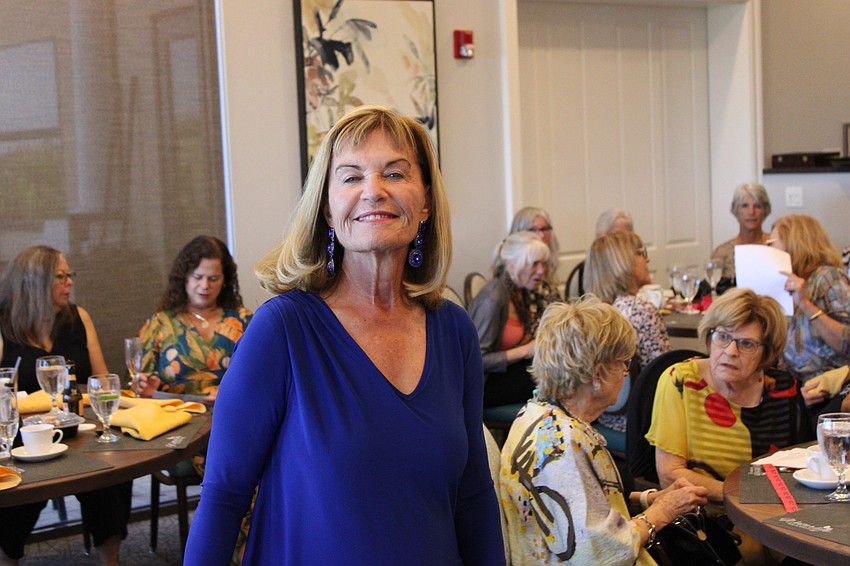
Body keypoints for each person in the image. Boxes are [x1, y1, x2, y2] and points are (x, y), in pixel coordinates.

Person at [184, 105, 504, 565]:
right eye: (351, 177)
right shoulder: (282, 331)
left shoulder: (454, 332)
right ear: (328, 210)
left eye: (395, 173)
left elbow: (472, 495)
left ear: (426, 202)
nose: (373, 191)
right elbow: (224, 496)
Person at [500, 298, 708, 565]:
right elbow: (599, 555)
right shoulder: (559, 446)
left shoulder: (540, 413)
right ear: (597, 375)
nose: (625, 373)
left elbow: (584, 503)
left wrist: (651, 498)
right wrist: (662, 512)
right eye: (624, 363)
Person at [647, 288, 803, 562]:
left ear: (766, 352)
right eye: (723, 337)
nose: (730, 352)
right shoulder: (680, 381)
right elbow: (670, 474)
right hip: (707, 519)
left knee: (806, 550)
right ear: (709, 337)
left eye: (746, 344)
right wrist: (741, 498)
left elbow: (797, 464)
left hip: (775, 511)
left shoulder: (782, 389)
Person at [0, 246, 130, 566]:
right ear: (34, 283)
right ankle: (7, 556)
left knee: (112, 472)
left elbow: (101, 384)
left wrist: (141, 403)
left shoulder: (78, 318)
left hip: (81, 433)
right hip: (23, 440)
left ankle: (109, 558)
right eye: (60, 277)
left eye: (69, 275)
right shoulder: (3, 327)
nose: (69, 283)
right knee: (22, 487)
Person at [136, 235, 252, 399]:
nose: (205, 286)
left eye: (213, 278)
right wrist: (146, 388)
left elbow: (265, 375)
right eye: (198, 277)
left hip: (230, 417)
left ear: (225, 280)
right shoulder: (160, 323)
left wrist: (231, 392)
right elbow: (137, 387)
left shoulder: (245, 321)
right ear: (185, 278)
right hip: (175, 419)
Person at [585, 231, 671, 433]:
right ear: (622, 263)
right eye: (641, 253)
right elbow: (668, 373)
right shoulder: (638, 309)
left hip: (607, 416)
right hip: (644, 421)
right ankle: (752, 464)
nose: (647, 258)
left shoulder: (598, 311)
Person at [768, 214, 850, 418]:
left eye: (772, 242)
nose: (767, 248)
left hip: (833, 390)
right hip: (798, 391)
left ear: (794, 242)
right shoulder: (781, 284)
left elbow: (847, 343)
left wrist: (805, 304)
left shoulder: (826, 277)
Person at [468, 231, 553, 407]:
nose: (541, 271)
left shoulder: (518, 289)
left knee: (558, 371)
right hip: (484, 387)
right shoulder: (492, 300)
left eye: (543, 264)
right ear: (512, 264)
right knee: (557, 380)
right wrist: (527, 350)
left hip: (505, 373)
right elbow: (475, 361)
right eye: (534, 264)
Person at [711, 182, 772, 284]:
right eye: (745, 206)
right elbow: (713, 291)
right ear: (736, 211)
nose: (751, 212)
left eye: (757, 206)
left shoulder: (777, 247)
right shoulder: (721, 253)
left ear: (765, 211)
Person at [509, 206, 562, 302]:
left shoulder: (549, 261)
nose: (541, 235)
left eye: (544, 229)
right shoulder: (514, 273)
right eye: (533, 230)